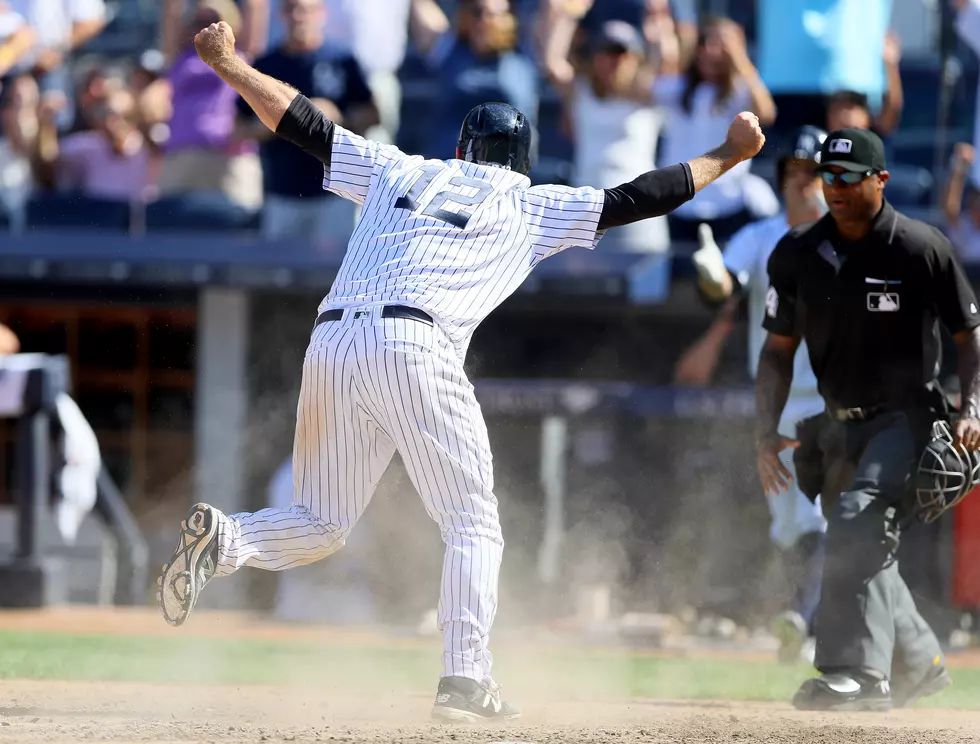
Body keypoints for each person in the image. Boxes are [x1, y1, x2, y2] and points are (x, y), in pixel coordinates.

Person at [158, 19, 765, 722]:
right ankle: (465, 682)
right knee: (473, 522)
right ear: (523, 158)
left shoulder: (399, 167)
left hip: (333, 337)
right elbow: (642, 197)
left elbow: (303, 125)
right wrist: (729, 152)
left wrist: (229, 63)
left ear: (460, 149)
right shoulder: (531, 201)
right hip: (417, 341)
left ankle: (226, 540)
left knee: (318, 521)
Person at [755, 127, 980, 710]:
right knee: (863, 540)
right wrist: (763, 431)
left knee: (856, 519)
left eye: (849, 178)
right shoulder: (798, 252)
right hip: (837, 424)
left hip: (909, 418)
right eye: (827, 176)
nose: (835, 188)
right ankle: (920, 661)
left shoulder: (919, 247)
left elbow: (969, 336)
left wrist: (971, 408)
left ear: (879, 180)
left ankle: (856, 674)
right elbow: (777, 351)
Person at [677, 125, 830, 663]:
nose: (803, 183)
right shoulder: (763, 236)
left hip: (831, 402)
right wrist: (712, 276)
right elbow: (724, 283)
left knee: (817, 516)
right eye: (795, 172)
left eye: (814, 173)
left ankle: (806, 623)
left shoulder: (846, 240)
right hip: (775, 404)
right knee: (788, 523)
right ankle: (804, 621)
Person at [235, 0, 378, 243]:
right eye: (292, 9)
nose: (299, 16)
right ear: (282, 14)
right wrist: (275, 123)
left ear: (320, 13)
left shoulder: (341, 60)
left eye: (306, 9)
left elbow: (373, 113)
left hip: (334, 192)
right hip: (282, 192)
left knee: (333, 273)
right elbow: (238, 126)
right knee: (279, 274)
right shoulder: (267, 65)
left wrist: (336, 116)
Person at [540, 13, 670, 252]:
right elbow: (553, 63)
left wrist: (658, 20)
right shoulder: (580, 91)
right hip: (587, 207)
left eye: (621, 53)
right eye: (606, 52)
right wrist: (567, 16)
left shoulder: (649, 94)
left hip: (640, 209)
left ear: (635, 58)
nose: (613, 60)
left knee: (647, 284)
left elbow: (668, 60)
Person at [653, 15, 778, 244]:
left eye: (721, 45)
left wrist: (739, 57)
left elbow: (767, 112)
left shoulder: (739, 93)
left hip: (728, 204)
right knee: (681, 278)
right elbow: (642, 90)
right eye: (707, 43)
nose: (712, 51)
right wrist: (669, 43)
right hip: (680, 204)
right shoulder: (678, 88)